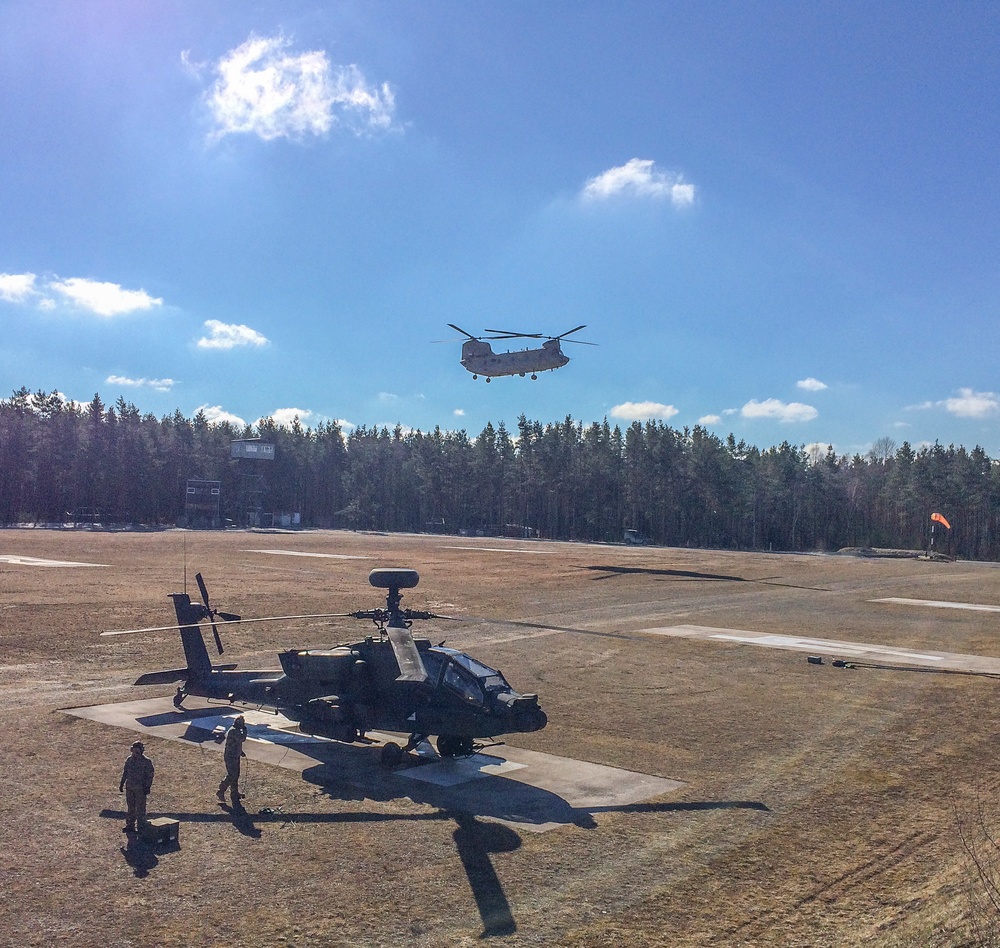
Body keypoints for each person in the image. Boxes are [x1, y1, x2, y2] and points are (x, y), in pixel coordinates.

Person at [119, 740, 154, 833]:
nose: (135, 754)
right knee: (130, 808)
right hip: (130, 788)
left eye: (137, 752)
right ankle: (130, 825)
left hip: (140, 790)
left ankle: (141, 827)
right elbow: (125, 772)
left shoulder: (146, 762)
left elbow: (150, 776)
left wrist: (147, 787)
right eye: (134, 751)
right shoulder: (129, 760)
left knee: (141, 809)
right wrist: (122, 783)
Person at [217, 714, 248, 805]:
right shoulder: (234, 731)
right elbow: (242, 739)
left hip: (235, 755)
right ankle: (221, 791)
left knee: (236, 775)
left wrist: (240, 751)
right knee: (232, 775)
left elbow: (235, 743)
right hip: (231, 757)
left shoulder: (236, 730)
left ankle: (234, 794)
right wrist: (245, 730)